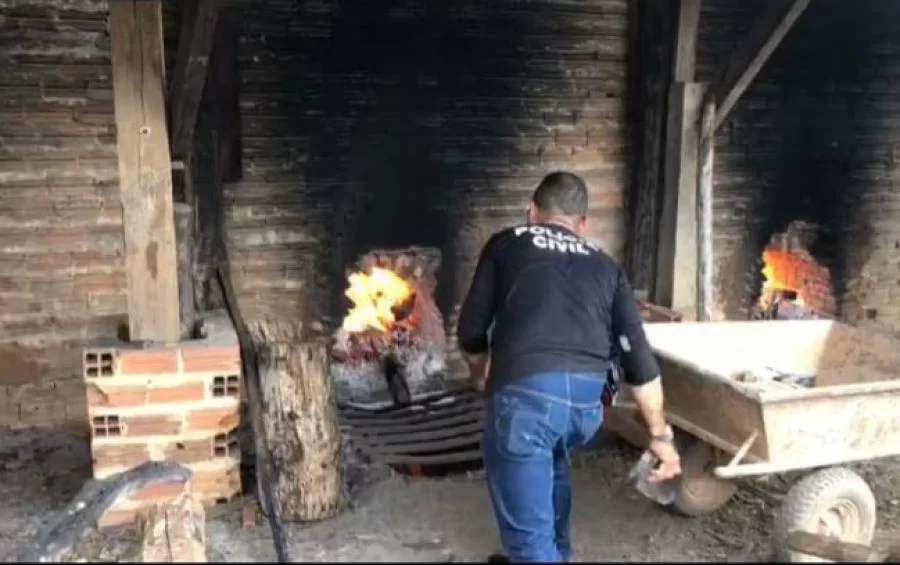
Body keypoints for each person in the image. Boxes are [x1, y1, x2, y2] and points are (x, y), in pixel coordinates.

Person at [456, 171, 682, 563]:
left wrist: (481, 373)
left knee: (528, 541)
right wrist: (661, 438)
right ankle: (559, 553)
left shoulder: (506, 243)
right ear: (582, 224)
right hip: (589, 404)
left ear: (532, 212)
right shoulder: (607, 267)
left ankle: (537, 554)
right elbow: (640, 363)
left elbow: (470, 331)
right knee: (553, 457)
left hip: (527, 397)